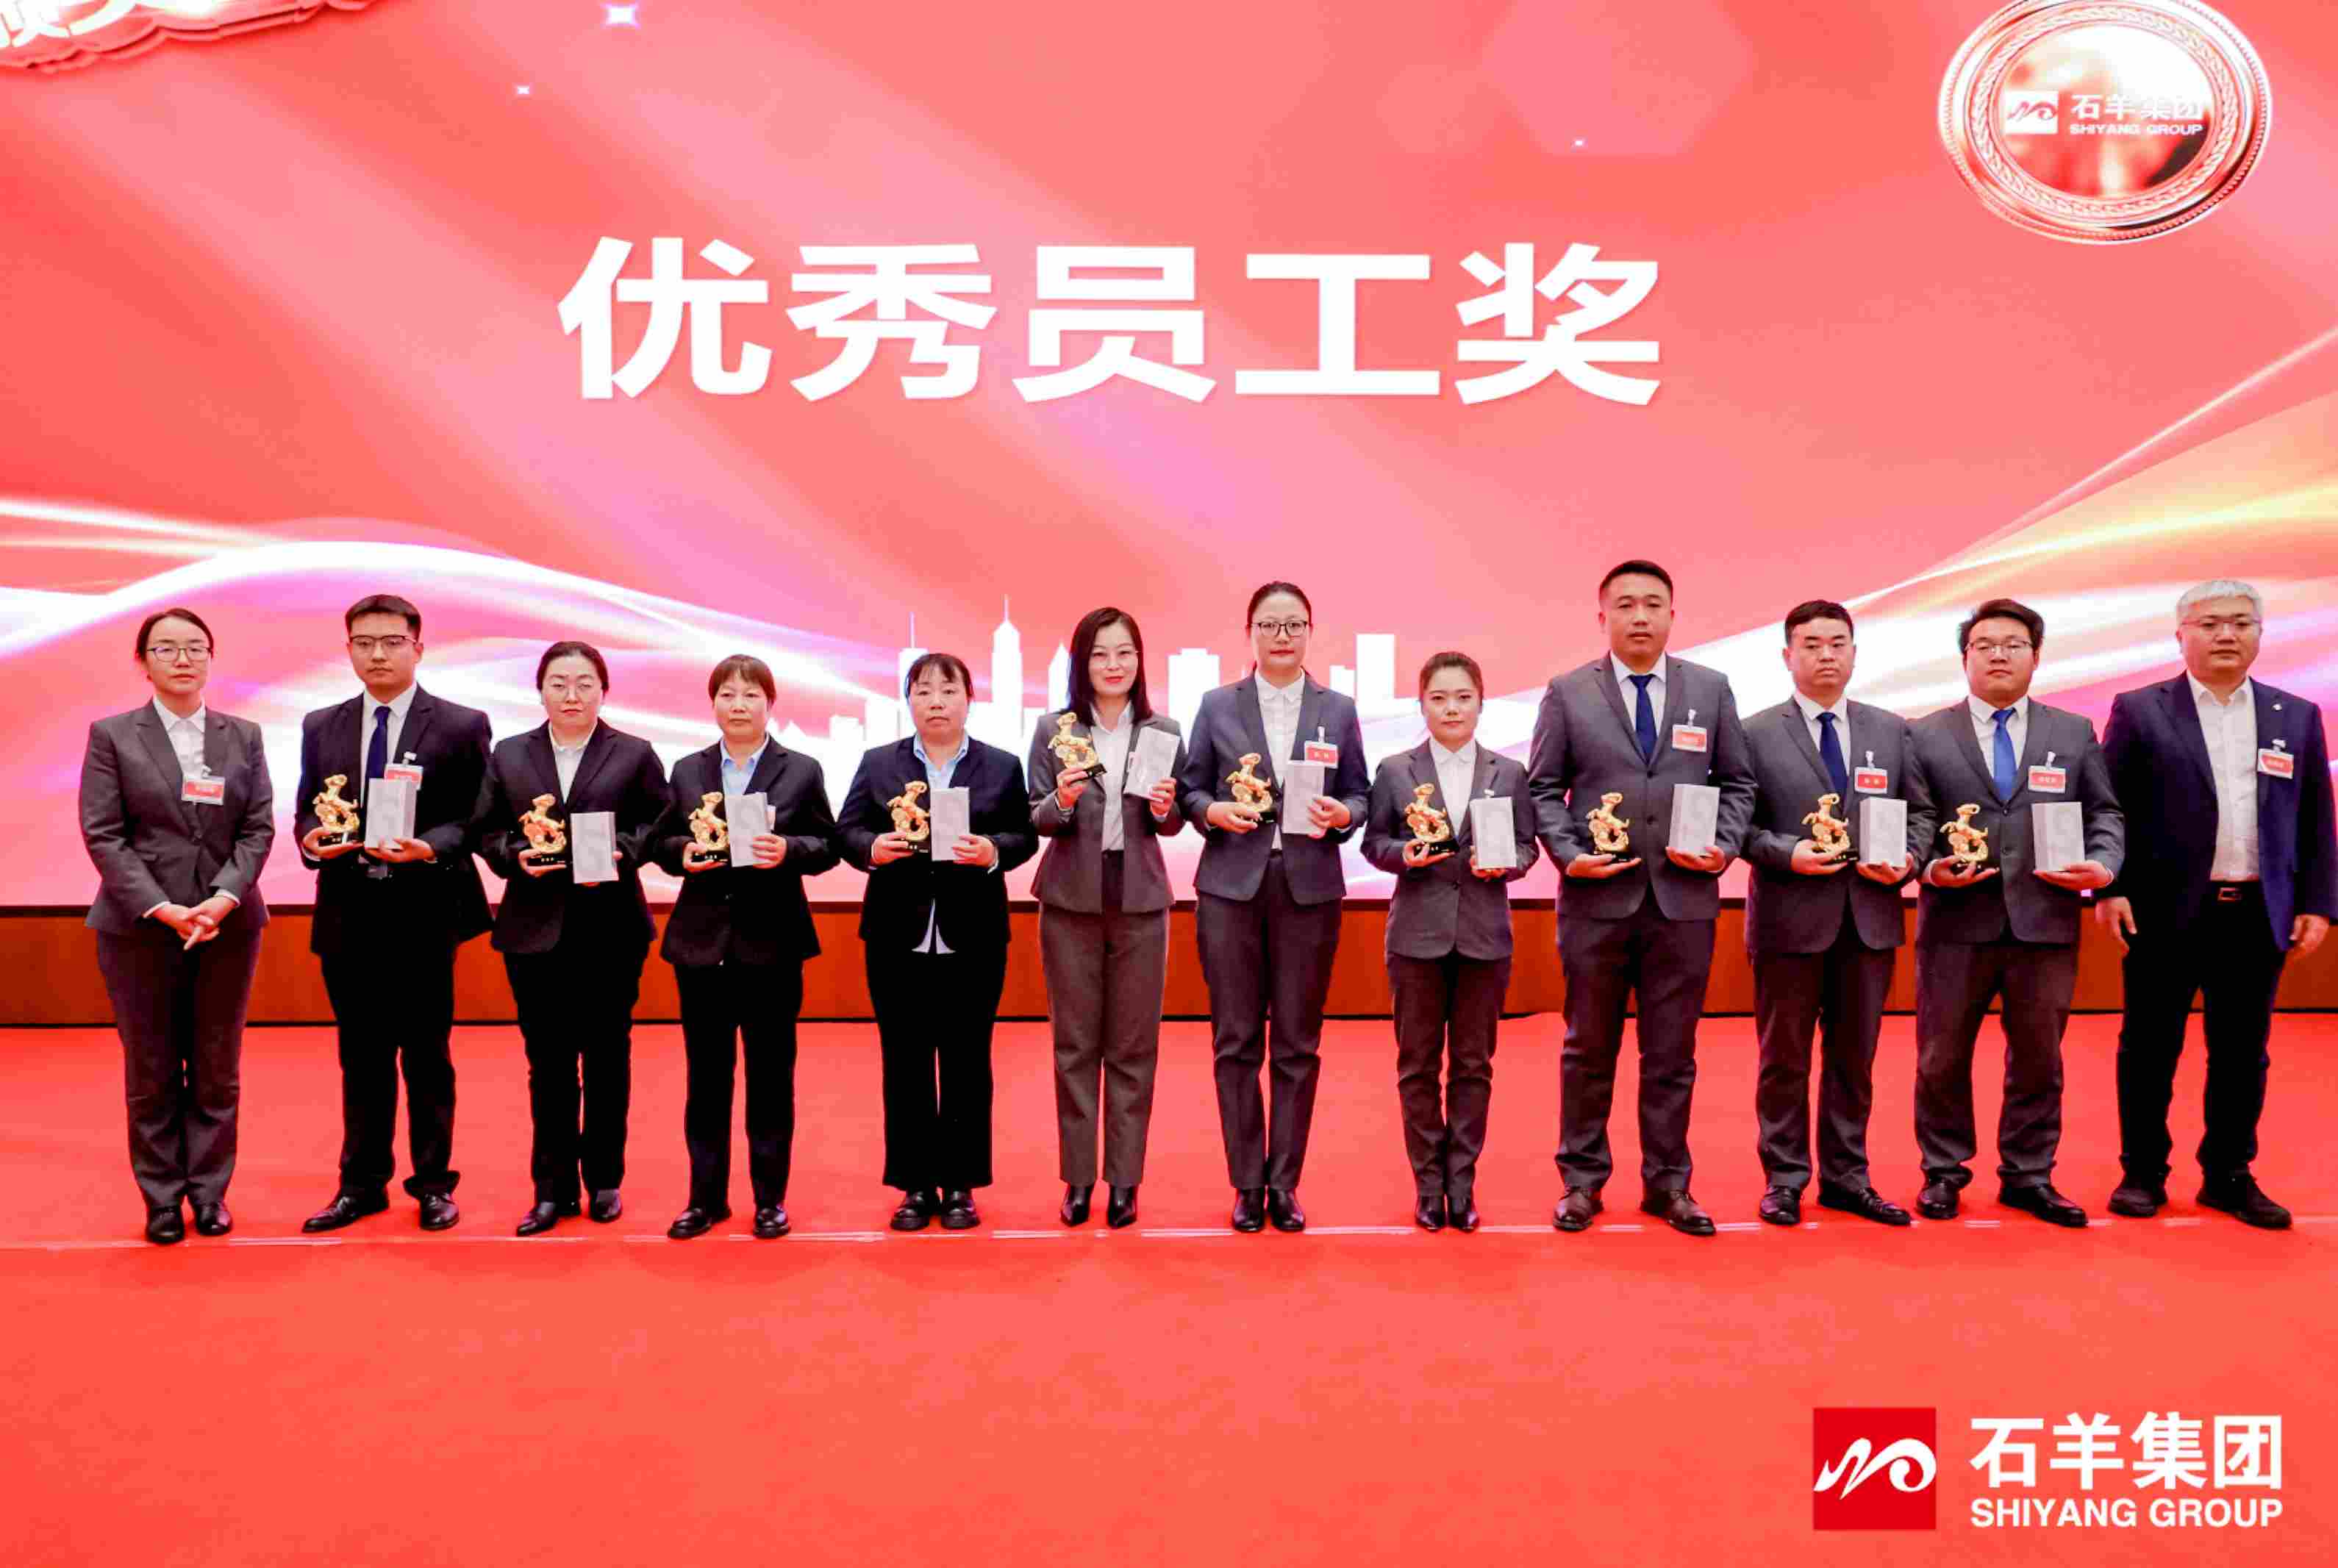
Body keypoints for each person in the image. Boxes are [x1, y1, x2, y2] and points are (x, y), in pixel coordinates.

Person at [1526, 560, 1755, 1236]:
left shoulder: (1710, 689)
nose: (1640, 616)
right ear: (1603, 617)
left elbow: (1739, 783)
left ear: (1673, 615)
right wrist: (1571, 855)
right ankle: (1582, 1181)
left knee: (1672, 1053)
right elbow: (1543, 789)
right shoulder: (1568, 693)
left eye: (1653, 604)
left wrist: (1724, 846)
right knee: (1587, 1048)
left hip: (1683, 901)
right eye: (1626, 604)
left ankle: (1668, 1182)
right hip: (1596, 902)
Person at [2099, 580, 2334, 1229]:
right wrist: (2111, 887)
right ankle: (2142, 1171)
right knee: (2149, 1047)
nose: (2225, 634)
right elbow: (2110, 808)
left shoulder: (2296, 714)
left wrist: (2318, 900)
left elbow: (2317, 815)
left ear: (2259, 633)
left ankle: (2229, 1173)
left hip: (2257, 911)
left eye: (2240, 622)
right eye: (2209, 624)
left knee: (2242, 1052)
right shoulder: (2140, 710)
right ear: (2181, 636)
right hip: (2164, 909)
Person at [1906, 598, 2123, 1228]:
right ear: (1965, 658)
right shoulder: (1923, 733)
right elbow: (1916, 817)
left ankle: (2029, 1174)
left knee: (2039, 1058)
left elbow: (2105, 812)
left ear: (2036, 655)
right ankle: (1943, 1170)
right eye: (1984, 645)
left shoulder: (2073, 732)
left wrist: (2103, 864)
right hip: (1955, 923)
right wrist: (1927, 866)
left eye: (2013, 644)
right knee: (1941, 1056)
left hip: (2045, 920)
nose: (1998, 654)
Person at [294, 595, 493, 1235]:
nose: (377, 654)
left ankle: (433, 1184)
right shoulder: (321, 724)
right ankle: (361, 1185)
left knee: (427, 1055)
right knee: (362, 1057)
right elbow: (308, 806)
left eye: (391, 642)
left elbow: (477, 816)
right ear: (349, 649)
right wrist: (310, 838)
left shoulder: (461, 725)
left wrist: (430, 845)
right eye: (364, 643)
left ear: (418, 648)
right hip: (348, 910)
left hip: (423, 910)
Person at [1177, 582, 1370, 1234]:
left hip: (1308, 891)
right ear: (1250, 633)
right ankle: (1246, 1182)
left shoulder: (1337, 709)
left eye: (1293, 624)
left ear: (1310, 631)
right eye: (1269, 624)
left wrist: (1345, 815)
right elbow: (1190, 790)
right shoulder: (1217, 705)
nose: (1282, 635)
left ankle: (1284, 1182)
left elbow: (1361, 794)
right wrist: (1212, 810)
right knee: (1234, 1041)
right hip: (1230, 889)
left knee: (1297, 1043)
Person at [79, 608, 274, 1245]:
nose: (183, 658)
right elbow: (104, 834)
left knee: (217, 1066)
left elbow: (258, 827)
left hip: (228, 927)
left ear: (211, 657)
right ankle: (161, 1198)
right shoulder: (112, 735)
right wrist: (162, 907)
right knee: (152, 1067)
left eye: (195, 647)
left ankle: (210, 1194)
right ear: (143, 662)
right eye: (166, 648)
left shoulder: (242, 735)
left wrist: (222, 899)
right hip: (139, 929)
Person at [472, 640, 670, 1236]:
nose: (572, 695)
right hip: (534, 931)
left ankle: (605, 1180)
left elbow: (660, 820)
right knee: (549, 1064)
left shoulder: (633, 753)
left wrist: (624, 849)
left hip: (611, 930)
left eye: (585, 683)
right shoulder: (510, 753)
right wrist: (513, 854)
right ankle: (551, 1189)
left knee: (608, 1059)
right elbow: (485, 828)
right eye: (559, 683)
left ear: (603, 691)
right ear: (541, 691)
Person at [1739, 601, 1923, 1228]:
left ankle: (1847, 1177)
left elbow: (1922, 813)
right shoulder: (1754, 732)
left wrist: (1909, 858)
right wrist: (1786, 852)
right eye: (1812, 644)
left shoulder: (1892, 730)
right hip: (1788, 920)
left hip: (1868, 919)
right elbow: (1738, 825)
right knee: (1783, 1059)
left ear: (1854, 653)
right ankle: (1785, 1178)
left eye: (1838, 643)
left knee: (1854, 1059)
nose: (1826, 655)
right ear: (1787, 655)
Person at [837, 653, 1037, 1233]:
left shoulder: (1001, 765)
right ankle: (915, 1185)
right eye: (923, 691)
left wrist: (994, 850)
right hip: (895, 935)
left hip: (973, 936)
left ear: (969, 699)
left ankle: (961, 1185)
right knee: (905, 1062)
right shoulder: (880, 762)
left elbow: (1024, 835)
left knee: (968, 1062)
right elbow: (847, 830)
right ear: (909, 702)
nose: (936, 702)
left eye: (948, 691)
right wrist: (871, 848)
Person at [652, 655, 839, 1240]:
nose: (738, 705)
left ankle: (768, 1199)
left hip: (773, 944)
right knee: (706, 1079)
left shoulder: (801, 769)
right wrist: (681, 852)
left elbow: (828, 844)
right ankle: (705, 1199)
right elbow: (661, 840)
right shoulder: (687, 769)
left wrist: (789, 850)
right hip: (701, 945)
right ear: (713, 704)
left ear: (769, 704)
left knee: (770, 1078)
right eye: (728, 695)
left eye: (751, 694)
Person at [1359, 651, 1539, 1233]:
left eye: (1463, 697)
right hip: (1416, 937)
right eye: (1439, 698)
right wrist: (1403, 854)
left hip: (1485, 937)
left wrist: (1507, 864)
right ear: (1422, 705)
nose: (1452, 708)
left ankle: (1461, 1184)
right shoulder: (1395, 771)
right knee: (1416, 1065)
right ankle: (1428, 1184)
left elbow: (1528, 846)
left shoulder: (1508, 772)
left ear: (1481, 703)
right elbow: (1374, 843)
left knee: (1473, 1065)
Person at [1026, 608, 1185, 1230]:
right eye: (1100, 654)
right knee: (1074, 1045)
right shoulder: (1055, 729)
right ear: (1082, 663)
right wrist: (1062, 799)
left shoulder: (1163, 730)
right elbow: (1035, 814)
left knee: (1133, 1046)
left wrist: (1167, 808)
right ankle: (1077, 1177)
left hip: (1140, 897)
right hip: (1071, 898)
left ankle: (1124, 1179)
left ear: (1140, 661)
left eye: (1125, 653)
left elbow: (1172, 820)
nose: (1114, 665)